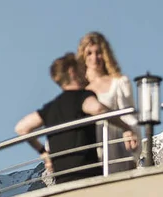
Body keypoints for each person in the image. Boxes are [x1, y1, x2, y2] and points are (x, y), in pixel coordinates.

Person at [15, 54, 109, 185]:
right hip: (88, 176)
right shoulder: (83, 96)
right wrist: (124, 126)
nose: (85, 72)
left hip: (62, 181)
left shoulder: (50, 108)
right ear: (72, 72)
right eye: (81, 68)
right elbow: (98, 108)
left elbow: (22, 128)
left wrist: (43, 152)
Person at [78, 32, 140, 173]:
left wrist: (132, 150)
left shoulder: (118, 83)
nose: (94, 58)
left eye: (98, 52)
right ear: (83, 56)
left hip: (114, 149)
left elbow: (130, 116)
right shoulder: (79, 90)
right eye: (89, 53)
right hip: (89, 153)